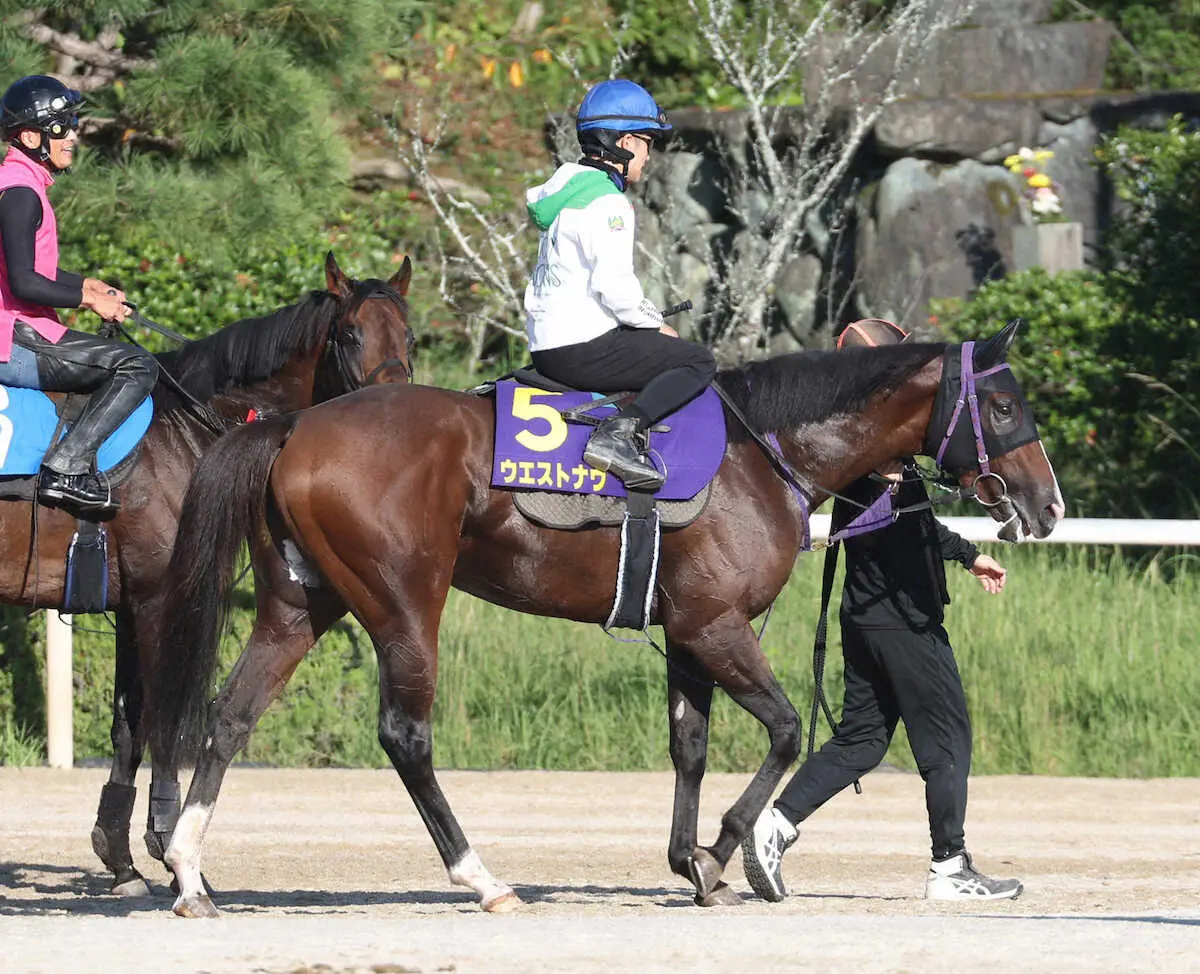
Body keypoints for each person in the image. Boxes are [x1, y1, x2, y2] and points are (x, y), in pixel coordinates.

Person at [740, 318, 1023, 902]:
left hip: (864, 617)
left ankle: (771, 827)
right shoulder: (875, 456)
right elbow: (893, 521)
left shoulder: (854, 450)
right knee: (946, 738)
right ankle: (950, 867)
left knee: (862, 741)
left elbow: (918, 524)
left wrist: (968, 557)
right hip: (902, 620)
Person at [523, 78, 715, 492]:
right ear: (625, 142)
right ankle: (617, 437)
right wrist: (655, 324)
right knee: (696, 360)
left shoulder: (567, 192)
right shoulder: (608, 202)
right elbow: (617, 290)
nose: (650, 154)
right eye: (648, 142)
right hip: (579, 349)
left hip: (545, 346)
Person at [0, 75, 157, 516]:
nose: (72, 136)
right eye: (60, 127)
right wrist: (90, 302)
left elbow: (34, 268)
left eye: (71, 124)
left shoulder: (17, 184)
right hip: (13, 341)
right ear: (31, 136)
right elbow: (23, 283)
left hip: (16, 331)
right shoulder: (20, 195)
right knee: (136, 364)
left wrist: (86, 284)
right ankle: (64, 469)